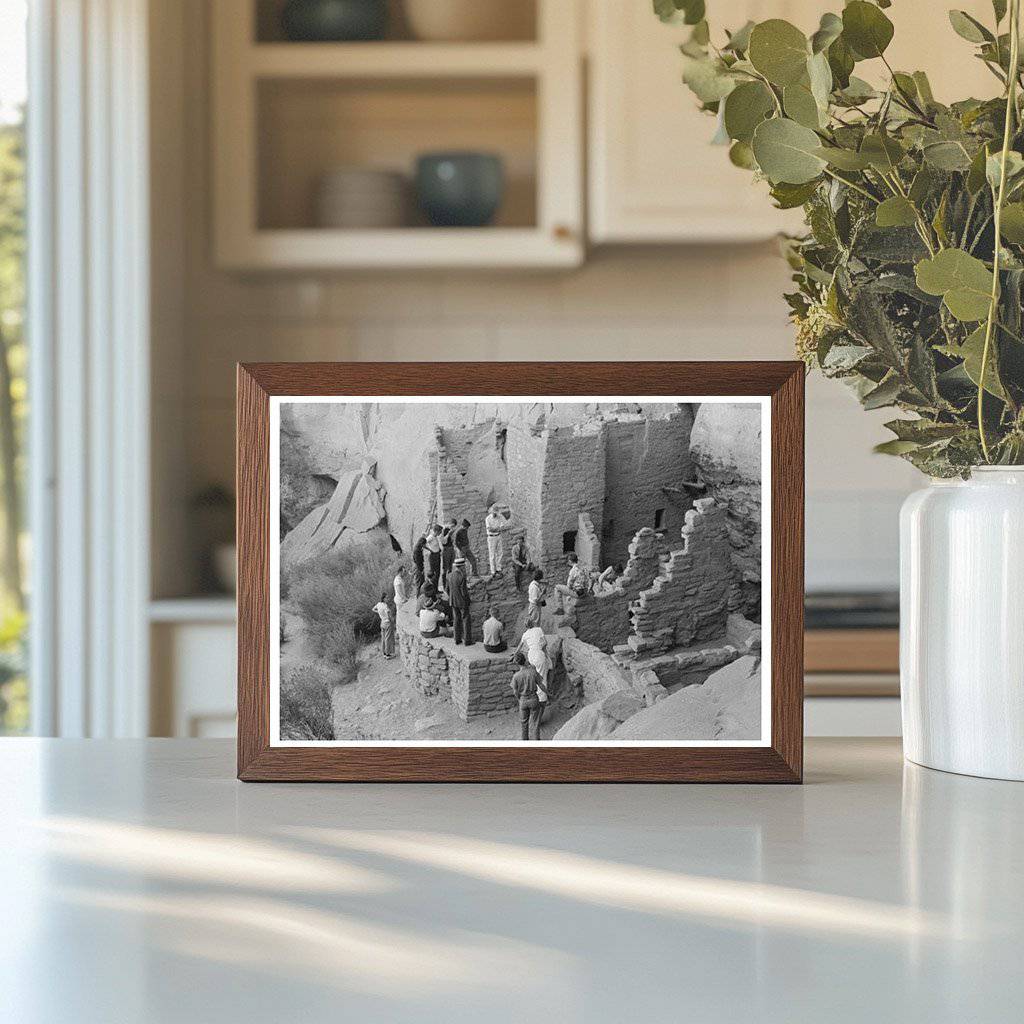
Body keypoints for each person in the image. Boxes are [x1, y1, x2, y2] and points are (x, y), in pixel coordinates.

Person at [518, 623, 552, 721]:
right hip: (539, 655)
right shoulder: (539, 630)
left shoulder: (525, 634)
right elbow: (544, 643)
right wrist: (546, 654)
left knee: (533, 677)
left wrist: (516, 653)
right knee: (542, 679)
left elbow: (520, 645)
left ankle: (534, 701)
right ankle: (542, 700)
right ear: (533, 623)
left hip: (530, 656)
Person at [510, 652, 544, 741]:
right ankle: (537, 741)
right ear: (525, 660)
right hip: (533, 699)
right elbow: (541, 684)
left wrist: (519, 699)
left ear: (517, 663)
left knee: (524, 723)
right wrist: (548, 693)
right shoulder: (532, 671)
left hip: (523, 700)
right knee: (535, 722)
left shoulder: (516, 676)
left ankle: (525, 742)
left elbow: (515, 692)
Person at [447, 555, 473, 646]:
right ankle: (467, 640)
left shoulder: (450, 575)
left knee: (456, 619)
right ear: (461, 566)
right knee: (466, 619)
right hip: (462, 601)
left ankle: (457, 639)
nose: (464, 568)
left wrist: (451, 596)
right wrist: (468, 601)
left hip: (453, 600)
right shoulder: (462, 576)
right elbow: (464, 592)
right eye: (464, 566)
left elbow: (447, 589)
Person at [485, 505, 509, 575]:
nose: (495, 514)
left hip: (498, 535)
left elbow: (505, 524)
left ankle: (498, 568)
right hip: (491, 537)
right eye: (494, 513)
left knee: (500, 552)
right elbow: (490, 529)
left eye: (496, 513)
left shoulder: (500, 516)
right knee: (492, 554)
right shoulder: (488, 519)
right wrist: (498, 528)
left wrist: (499, 528)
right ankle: (493, 571)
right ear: (491, 512)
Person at [372, 591, 396, 659]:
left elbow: (373, 609)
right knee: (388, 638)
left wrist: (379, 613)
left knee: (383, 638)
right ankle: (387, 654)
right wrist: (393, 621)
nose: (388, 599)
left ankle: (384, 652)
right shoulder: (385, 606)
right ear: (384, 598)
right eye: (387, 598)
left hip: (382, 623)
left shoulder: (379, 604)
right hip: (387, 623)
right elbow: (389, 616)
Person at [425, 524, 443, 588]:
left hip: (437, 555)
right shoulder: (430, 537)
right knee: (433, 574)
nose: (441, 533)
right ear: (436, 531)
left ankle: (436, 589)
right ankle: (432, 589)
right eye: (440, 531)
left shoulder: (436, 537)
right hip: (433, 556)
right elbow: (423, 543)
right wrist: (430, 550)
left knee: (438, 573)